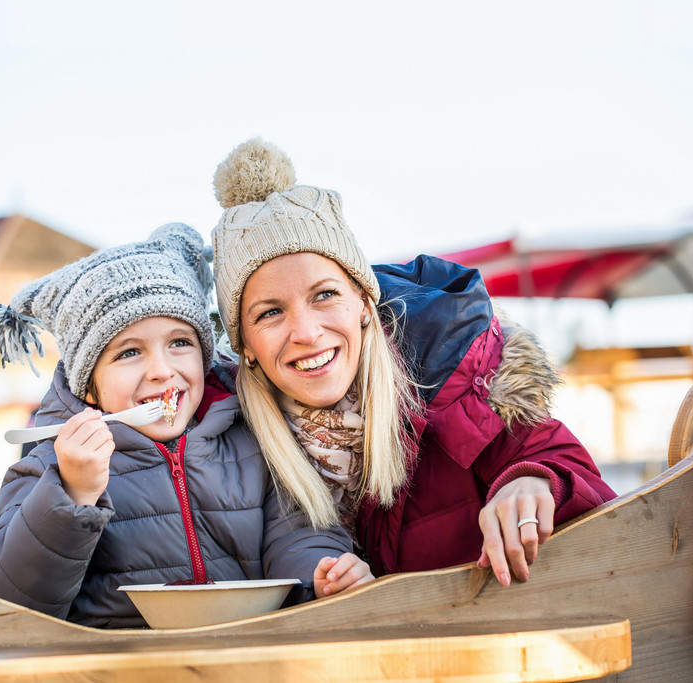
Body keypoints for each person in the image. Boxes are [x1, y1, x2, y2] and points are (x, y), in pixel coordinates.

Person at [210, 139, 617, 588]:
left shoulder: (451, 384)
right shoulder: (224, 446)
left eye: (324, 294)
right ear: (244, 344)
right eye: (270, 313)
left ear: (364, 302)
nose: (306, 332)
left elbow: (559, 464)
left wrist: (533, 483)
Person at [0, 223, 370, 628]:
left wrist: (322, 571)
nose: (163, 371)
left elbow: (296, 532)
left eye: (180, 343)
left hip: (245, 656)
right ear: (88, 386)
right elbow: (6, 602)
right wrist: (73, 494)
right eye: (129, 352)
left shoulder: (250, 440)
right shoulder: (50, 468)